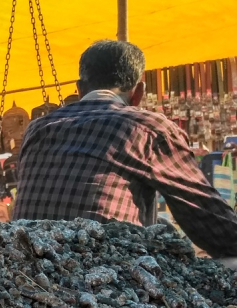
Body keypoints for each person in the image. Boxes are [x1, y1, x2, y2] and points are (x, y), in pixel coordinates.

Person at [12, 40, 237, 260]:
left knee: (162, 228)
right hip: (105, 275)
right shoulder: (148, 128)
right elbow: (207, 215)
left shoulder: (37, 128)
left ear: (79, 90)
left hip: (23, 269)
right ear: (138, 93)